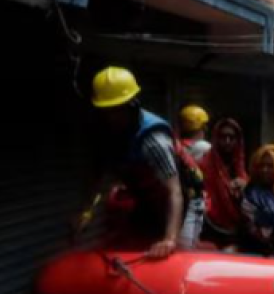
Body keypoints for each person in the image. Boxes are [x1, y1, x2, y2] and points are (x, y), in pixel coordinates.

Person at [88, 66, 205, 259]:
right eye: (107, 111)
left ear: (132, 105)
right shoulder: (111, 133)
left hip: (185, 195)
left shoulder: (154, 141)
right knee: (134, 245)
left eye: (117, 111)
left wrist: (169, 239)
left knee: (177, 255)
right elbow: (99, 175)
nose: (111, 117)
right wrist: (86, 211)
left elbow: (174, 191)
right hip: (150, 198)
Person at [199, 118, 247, 247]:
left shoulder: (241, 166)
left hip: (238, 231)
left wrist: (244, 187)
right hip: (209, 228)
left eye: (231, 137)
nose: (227, 141)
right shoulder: (204, 164)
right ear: (215, 139)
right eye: (223, 137)